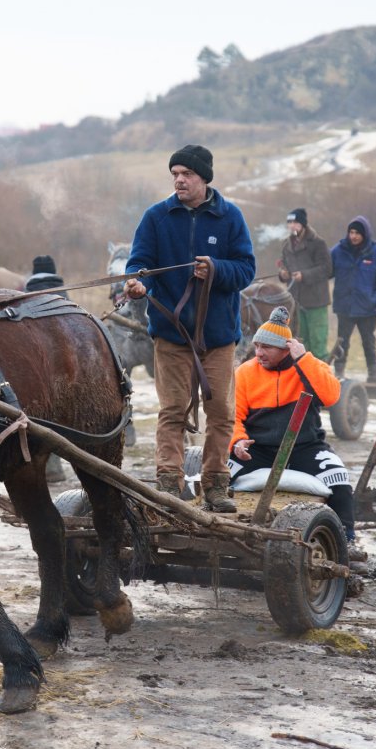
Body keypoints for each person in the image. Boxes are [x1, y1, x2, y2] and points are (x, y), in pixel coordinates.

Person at [124, 144, 256, 512]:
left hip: (218, 338)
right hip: (172, 334)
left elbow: (245, 269)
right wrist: (137, 284)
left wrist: (216, 269)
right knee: (172, 411)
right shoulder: (156, 217)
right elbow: (141, 264)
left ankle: (216, 486)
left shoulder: (230, 218)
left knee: (222, 414)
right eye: (175, 175)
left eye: (186, 175)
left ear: (204, 178)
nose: (179, 180)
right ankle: (169, 484)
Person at [230, 306, 357, 547]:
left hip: (305, 447)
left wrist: (303, 359)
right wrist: (237, 441)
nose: (259, 352)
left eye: (266, 347)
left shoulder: (310, 366)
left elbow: (331, 397)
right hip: (257, 448)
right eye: (257, 346)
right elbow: (232, 417)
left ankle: (347, 541)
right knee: (216, 475)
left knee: (340, 480)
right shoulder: (245, 373)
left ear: (286, 348)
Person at [330, 216, 376, 381]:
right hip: (344, 306)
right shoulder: (338, 251)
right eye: (351, 232)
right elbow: (325, 270)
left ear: (365, 234)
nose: (353, 236)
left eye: (357, 232)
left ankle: (373, 374)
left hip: (367, 308)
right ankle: (339, 374)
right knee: (342, 343)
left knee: (368, 342)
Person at [277, 207, 332, 359]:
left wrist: (304, 275)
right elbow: (284, 266)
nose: (292, 226)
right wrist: (284, 274)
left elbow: (327, 269)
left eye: (295, 222)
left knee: (318, 344)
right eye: (289, 222)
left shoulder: (318, 243)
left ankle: (322, 379)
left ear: (303, 224)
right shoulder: (286, 245)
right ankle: (304, 379)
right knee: (301, 344)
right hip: (296, 302)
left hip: (316, 301)